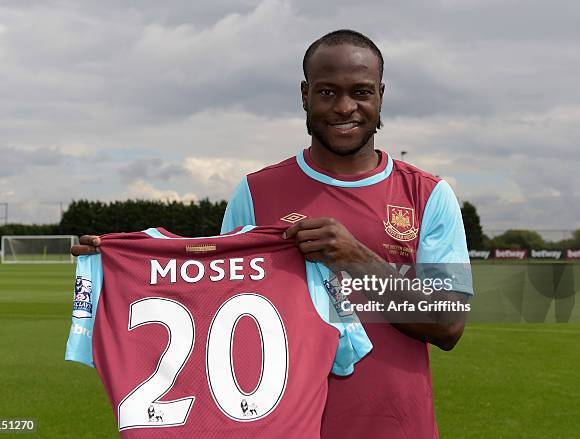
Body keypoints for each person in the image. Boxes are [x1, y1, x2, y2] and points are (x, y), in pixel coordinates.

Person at [72, 29, 473, 439]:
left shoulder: (427, 195)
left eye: (362, 92)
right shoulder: (255, 193)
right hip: (277, 429)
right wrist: (118, 266)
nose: (345, 107)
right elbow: (211, 307)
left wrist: (356, 259)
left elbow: (447, 326)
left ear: (381, 95)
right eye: (328, 92)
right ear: (305, 95)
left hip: (397, 428)